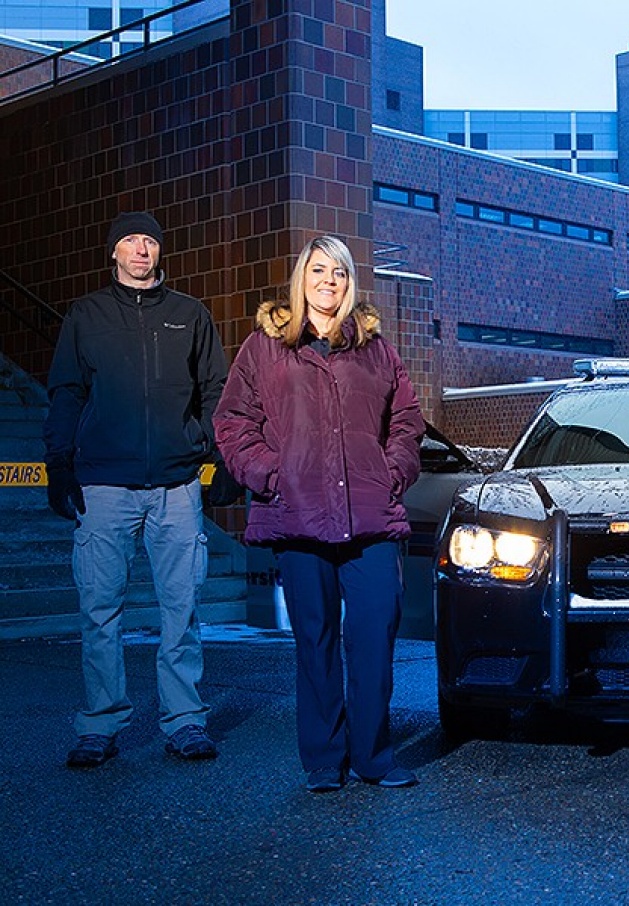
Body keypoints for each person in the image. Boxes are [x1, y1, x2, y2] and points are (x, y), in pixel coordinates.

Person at [214, 236, 424, 793]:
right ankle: (324, 759)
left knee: (376, 631)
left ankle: (374, 756)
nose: (328, 280)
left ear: (350, 281)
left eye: (339, 271)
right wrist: (270, 474)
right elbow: (233, 421)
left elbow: (406, 420)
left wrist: (392, 470)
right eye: (318, 270)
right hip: (298, 514)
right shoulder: (265, 347)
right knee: (315, 636)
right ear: (300, 277)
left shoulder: (375, 349)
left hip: (370, 517)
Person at [44, 211, 231, 767]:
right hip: (103, 484)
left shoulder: (189, 314)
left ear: (159, 252)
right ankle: (100, 724)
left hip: (176, 485)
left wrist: (223, 458)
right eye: (130, 240)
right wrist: (58, 463)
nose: (141, 249)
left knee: (182, 607)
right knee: (100, 608)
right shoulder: (86, 315)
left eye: (149, 240)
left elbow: (215, 391)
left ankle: (185, 721)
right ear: (114, 252)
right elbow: (67, 392)